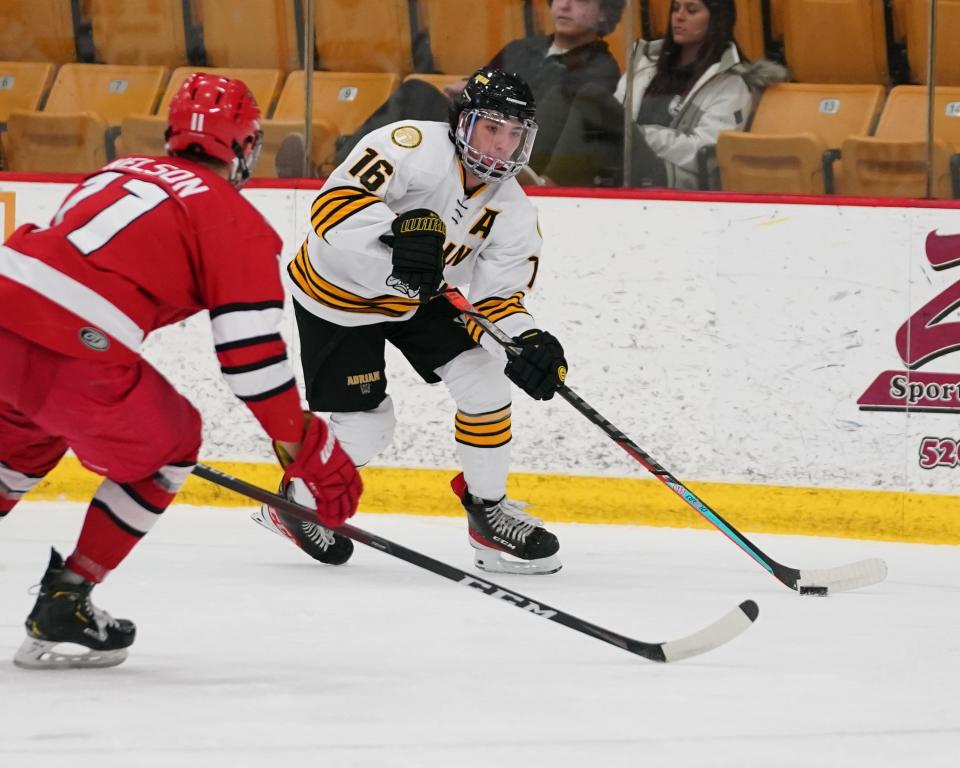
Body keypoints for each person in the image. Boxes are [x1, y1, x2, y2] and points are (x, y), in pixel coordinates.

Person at [0, 73, 362, 669]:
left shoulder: (114, 172)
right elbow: (251, 359)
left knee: (23, 447)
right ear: (246, 147)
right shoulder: (234, 219)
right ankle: (67, 599)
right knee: (171, 447)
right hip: (70, 346)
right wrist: (304, 443)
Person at [255, 68, 568, 576]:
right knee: (369, 426)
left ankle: (488, 518)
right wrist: (396, 233)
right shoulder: (408, 146)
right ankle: (297, 500)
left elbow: (497, 300)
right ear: (462, 123)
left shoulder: (512, 210)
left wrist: (523, 341)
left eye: (516, 134)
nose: (503, 146)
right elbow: (330, 209)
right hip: (341, 294)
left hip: (420, 297)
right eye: (492, 128)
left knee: (487, 383)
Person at [320, 0, 625, 176]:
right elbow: (478, 83)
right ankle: (344, 164)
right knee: (418, 92)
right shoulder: (521, 48)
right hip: (472, 131)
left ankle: (347, 164)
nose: (565, 5)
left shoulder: (601, 68)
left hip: (509, 149)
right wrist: (464, 90)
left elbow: (550, 119)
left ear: (604, 13)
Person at [540, 0, 787, 188]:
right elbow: (613, 117)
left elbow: (708, 152)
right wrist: (625, 133)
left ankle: (549, 188)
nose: (679, 17)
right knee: (562, 95)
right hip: (627, 156)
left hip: (673, 177)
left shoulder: (731, 82)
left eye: (691, 10)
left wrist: (640, 135)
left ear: (716, 19)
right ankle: (522, 178)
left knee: (592, 98)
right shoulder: (647, 62)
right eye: (675, 8)